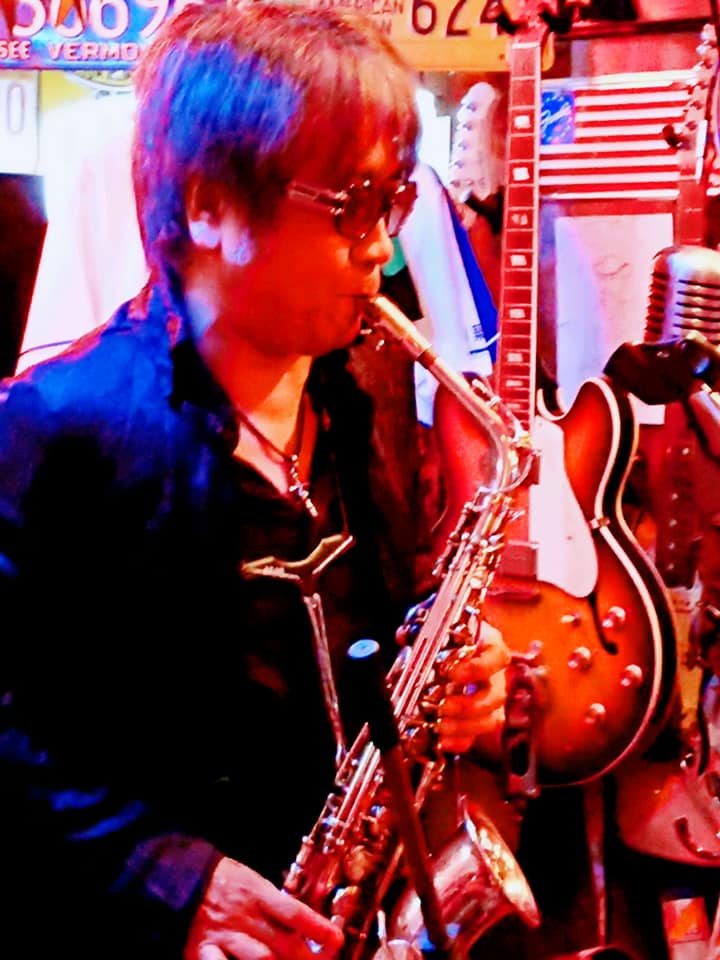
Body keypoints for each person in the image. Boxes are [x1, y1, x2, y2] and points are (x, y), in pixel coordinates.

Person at [0, 4, 512, 959]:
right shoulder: (55, 426)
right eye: (350, 203)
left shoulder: (360, 397)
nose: (382, 247)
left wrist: (450, 681)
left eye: (393, 201)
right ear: (207, 205)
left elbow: (368, 644)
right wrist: (167, 876)